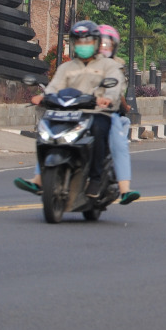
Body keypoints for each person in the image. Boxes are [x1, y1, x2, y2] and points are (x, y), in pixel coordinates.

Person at [13, 20, 136, 203]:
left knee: (99, 130)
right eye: (79, 42)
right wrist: (43, 96)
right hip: (67, 112)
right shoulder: (66, 67)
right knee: (46, 130)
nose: (83, 46)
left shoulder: (108, 66)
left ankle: (95, 179)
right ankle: (39, 180)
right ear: (73, 44)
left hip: (97, 113)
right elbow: (54, 86)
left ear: (95, 43)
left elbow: (114, 85)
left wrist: (107, 98)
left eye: (87, 42)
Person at [97, 24, 140, 203]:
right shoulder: (80, 63)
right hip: (80, 111)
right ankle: (39, 181)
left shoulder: (117, 66)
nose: (102, 48)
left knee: (119, 143)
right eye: (99, 43)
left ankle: (124, 189)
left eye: (107, 44)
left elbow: (118, 92)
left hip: (106, 113)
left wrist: (123, 106)